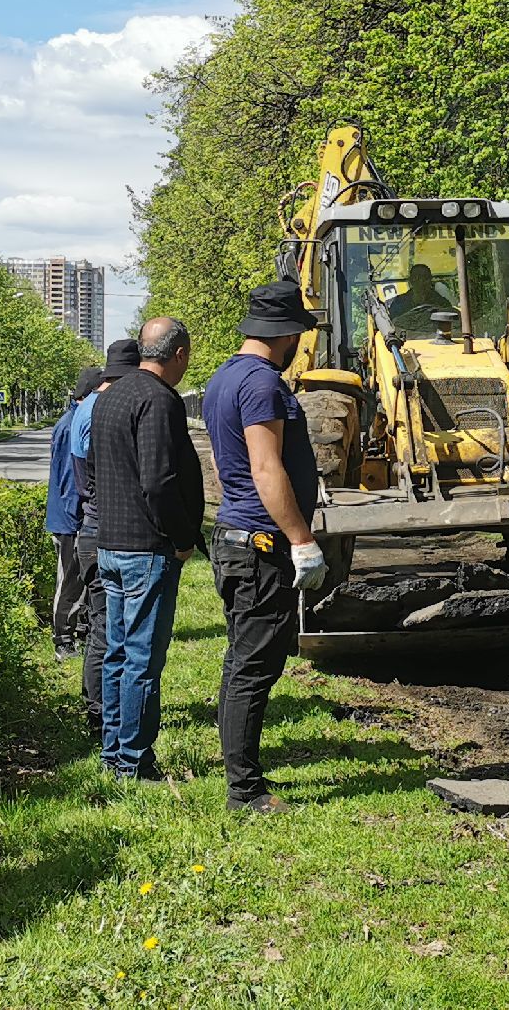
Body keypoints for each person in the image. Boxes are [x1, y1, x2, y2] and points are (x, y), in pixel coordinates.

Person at [202, 278, 328, 814]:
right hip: (258, 546)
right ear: (287, 334)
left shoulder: (224, 378)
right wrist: (301, 539)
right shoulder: (263, 385)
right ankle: (245, 791)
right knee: (253, 667)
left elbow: (229, 464)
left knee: (244, 662)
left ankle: (242, 776)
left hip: (237, 540)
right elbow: (264, 465)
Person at [90, 318, 201, 781]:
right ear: (177, 355)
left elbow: (100, 472)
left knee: (117, 651)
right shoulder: (157, 400)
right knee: (141, 658)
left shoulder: (109, 395)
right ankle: (133, 762)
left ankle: (114, 752)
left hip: (111, 544)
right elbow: (157, 481)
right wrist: (179, 539)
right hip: (145, 548)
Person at [63, 339, 138, 746]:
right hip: (102, 530)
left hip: (91, 529)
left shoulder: (87, 409)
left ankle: (98, 709)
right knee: (106, 630)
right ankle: (100, 715)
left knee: (101, 626)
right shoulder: (103, 411)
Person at [44, 363, 102, 713]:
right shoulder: (72, 425)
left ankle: (75, 634)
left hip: (73, 517)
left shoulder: (74, 419)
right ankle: (62, 638)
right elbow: (70, 479)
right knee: (68, 583)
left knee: (78, 580)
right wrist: (79, 515)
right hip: (69, 520)